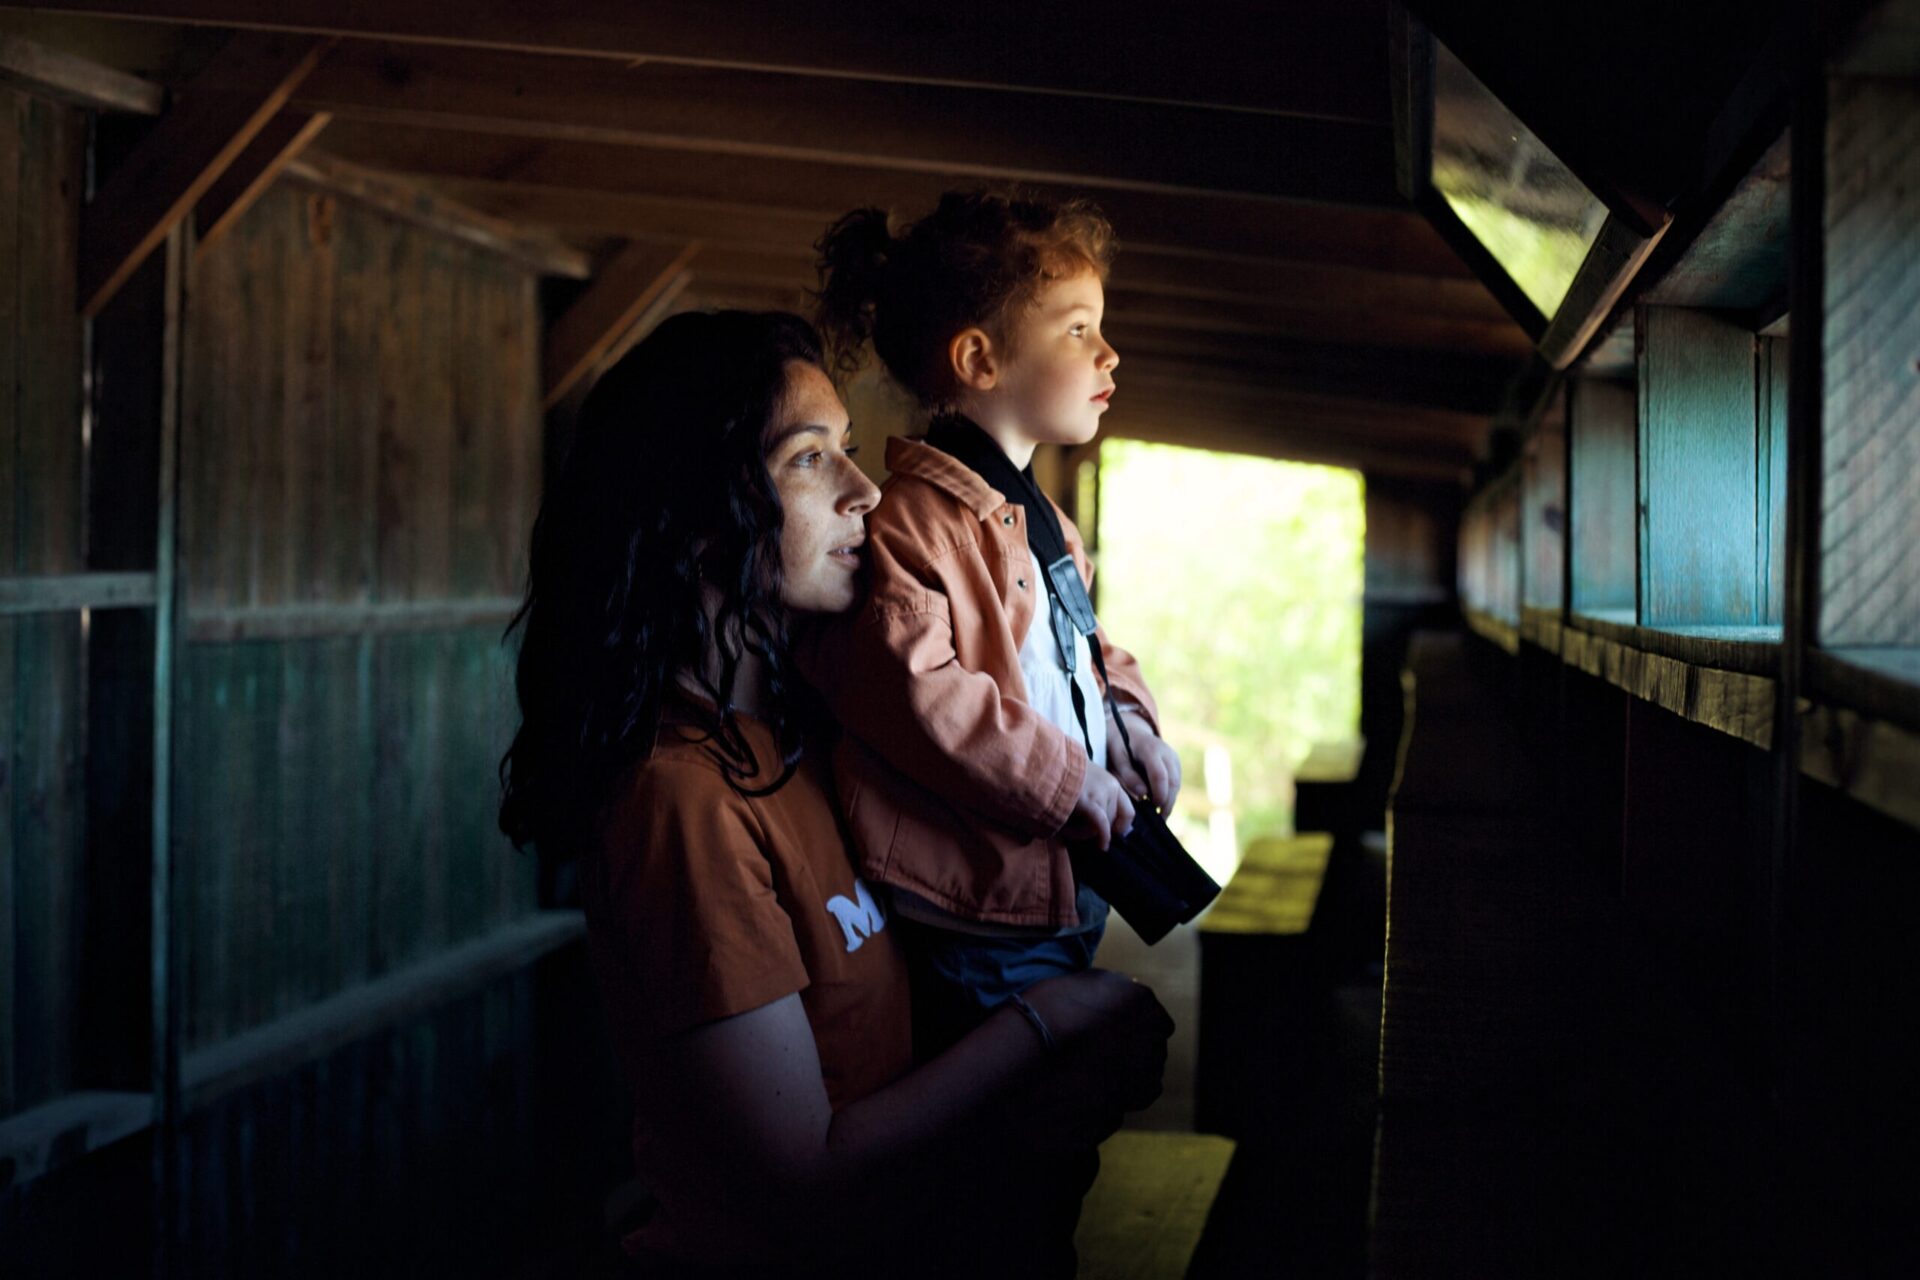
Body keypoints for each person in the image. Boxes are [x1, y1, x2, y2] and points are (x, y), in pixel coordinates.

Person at [498, 309, 1171, 1279]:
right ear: (695, 510)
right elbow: (801, 1170)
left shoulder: (817, 737)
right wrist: (1047, 1022)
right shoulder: (679, 800)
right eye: (813, 459)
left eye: (851, 451)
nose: (866, 493)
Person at [807, 191, 1185, 1054]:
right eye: (1078, 329)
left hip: (1064, 877)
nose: (1109, 352)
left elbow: (1085, 654)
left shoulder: (1042, 519)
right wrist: (1065, 782)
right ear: (980, 358)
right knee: (1005, 1122)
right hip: (980, 904)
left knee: (1063, 1109)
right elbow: (921, 695)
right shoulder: (913, 522)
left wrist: (1130, 726)